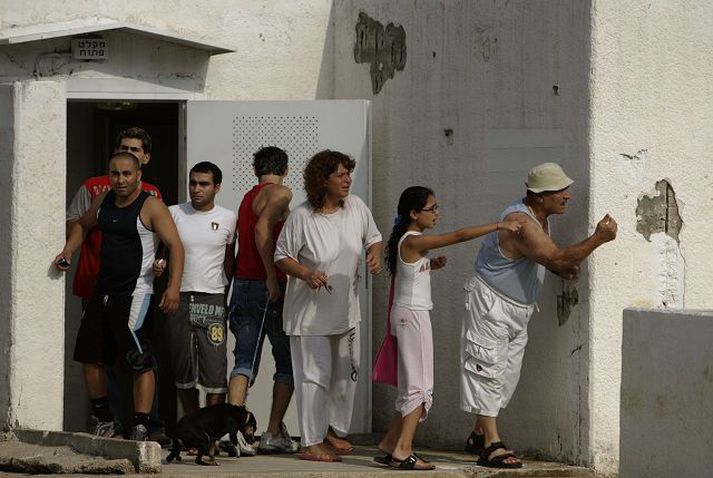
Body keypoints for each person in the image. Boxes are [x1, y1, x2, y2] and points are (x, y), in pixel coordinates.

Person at [460, 162, 617, 468]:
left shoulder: (540, 218)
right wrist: (598, 238)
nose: (568, 196)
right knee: (488, 369)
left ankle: (479, 433)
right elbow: (555, 255)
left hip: (517, 309)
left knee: (506, 376)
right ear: (540, 196)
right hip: (491, 305)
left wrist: (558, 266)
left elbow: (545, 257)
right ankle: (491, 445)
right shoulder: (522, 223)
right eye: (561, 190)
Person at [374, 186, 524, 471]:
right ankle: (403, 451)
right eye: (432, 209)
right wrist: (499, 225)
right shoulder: (413, 240)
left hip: (408, 315)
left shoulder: (410, 241)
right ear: (414, 214)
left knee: (411, 384)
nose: (437, 214)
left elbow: (409, 275)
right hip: (413, 317)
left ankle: (391, 443)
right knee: (420, 386)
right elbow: (457, 236)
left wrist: (430, 266)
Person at [55, 151, 185, 441]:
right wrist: (69, 250)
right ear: (109, 175)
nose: (121, 179)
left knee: (140, 360)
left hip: (136, 292)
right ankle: (105, 420)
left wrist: (173, 286)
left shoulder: (151, 206)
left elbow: (175, 245)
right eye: (115, 174)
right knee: (90, 357)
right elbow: (82, 224)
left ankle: (140, 424)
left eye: (127, 174)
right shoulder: (103, 200)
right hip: (102, 291)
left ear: (138, 175)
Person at [274, 150, 383, 463]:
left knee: (344, 377)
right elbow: (281, 256)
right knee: (313, 377)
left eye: (349, 173)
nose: (348, 179)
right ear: (322, 180)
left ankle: (332, 429)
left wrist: (374, 252)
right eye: (340, 174)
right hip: (309, 316)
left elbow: (373, 237)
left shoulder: (357, 207)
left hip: (346, 311)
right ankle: (311, 441)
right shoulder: (302, 217)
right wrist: (306, 273)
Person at [227, 146, 300, 455]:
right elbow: (260, 230)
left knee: (244, 360)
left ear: (255, 167)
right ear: (285, 168)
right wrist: (271, 276)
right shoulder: (281, 193)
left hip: (243, 285)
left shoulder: (248, 197)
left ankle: (231, 431)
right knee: (287, 363)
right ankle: (271, 432)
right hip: (270, 287)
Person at [155, 162, 236, 416]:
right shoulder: (173, 212)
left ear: (217, 187)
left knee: (215, 365)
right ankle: (193, 427)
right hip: (179, 296)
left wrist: (224, 292)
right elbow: (162, 251)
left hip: (212, 297)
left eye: (204, 184)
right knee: (182, 365)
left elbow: (229, 259)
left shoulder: (228, 217)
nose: (197, 189)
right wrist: (160, 267)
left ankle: (210, 431)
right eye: (193, 183)